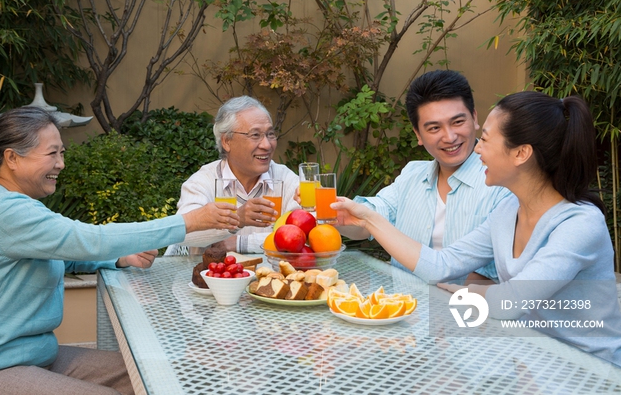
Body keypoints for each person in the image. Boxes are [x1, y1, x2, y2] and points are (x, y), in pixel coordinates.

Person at [0, 107, 239, 394]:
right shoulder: (6, 211)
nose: (61, 164)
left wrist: (119, 258)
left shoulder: (12, 204)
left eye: (62, 153)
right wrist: (189, 222)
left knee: (156, 374)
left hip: (32, 357)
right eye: (52, 153)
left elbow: (62, 253)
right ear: (12, 158)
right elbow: (91, 239)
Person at [333, 91, 621, 365]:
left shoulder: (579, 224)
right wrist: (368, 218)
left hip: (590, 370)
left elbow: (510, 302)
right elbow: (442, 264)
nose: (477, 149)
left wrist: (464, 294)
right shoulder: (508, 212)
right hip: (533, 358)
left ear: (521, 153)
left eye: (485, 139)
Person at [341, 70, 511, 282]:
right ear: (418, 134)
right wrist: (334, 215)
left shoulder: (503, 183)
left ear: (475, 118)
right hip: (399, 311)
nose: (449, 137)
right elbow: (366, 222)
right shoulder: (412, 175)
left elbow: (495, 277)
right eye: (434, 128)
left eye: (458, 122)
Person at [165, 96, 300, 255]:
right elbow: (184, 233)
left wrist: (239, 243)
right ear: (226, 141)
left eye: (270, 134)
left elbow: (303, 234)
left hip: (269, 277)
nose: (267, 145)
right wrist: (237, 218)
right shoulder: (202, 182)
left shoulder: (285, 178)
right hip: (209, 277)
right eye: (255, 135)